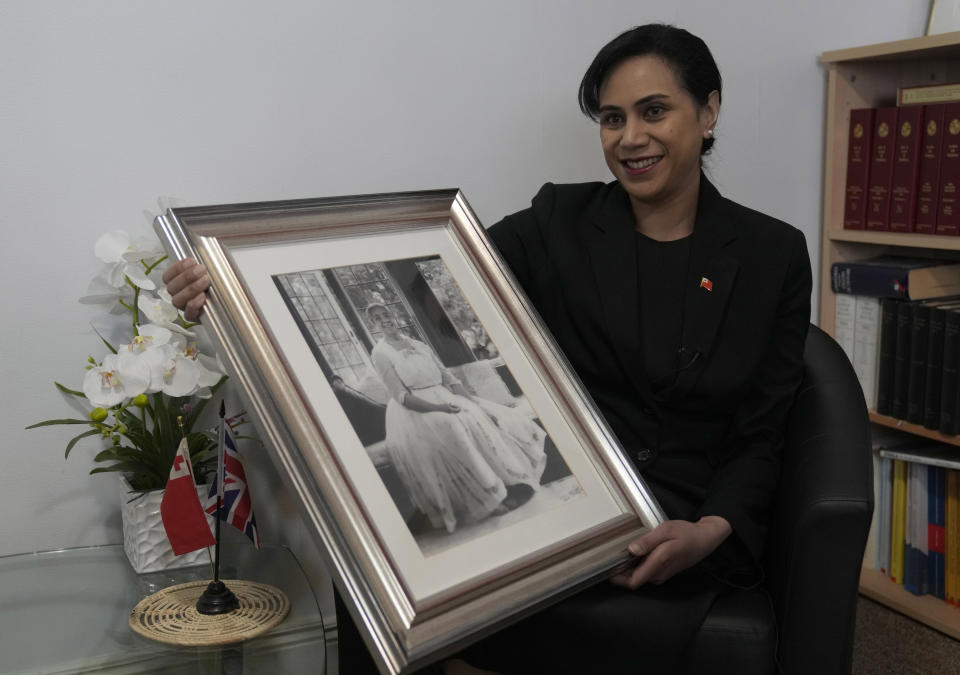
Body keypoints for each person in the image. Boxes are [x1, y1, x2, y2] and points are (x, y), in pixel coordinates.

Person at [163, 23, 811, 675]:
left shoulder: (772, 254)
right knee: (376, 576)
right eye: (613, 118)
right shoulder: (559, 223)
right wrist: (232, 281)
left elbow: (763, 429)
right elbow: (421, 281)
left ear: (710, 110)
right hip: (572, 520)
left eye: (654, 111)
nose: (630, 138)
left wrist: (711, 529)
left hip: (682, 524)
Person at [365, 302, 546, 533]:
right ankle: (488, 500)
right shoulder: (380, 353)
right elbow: (401, 396)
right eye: (378, 318)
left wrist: (472, 400)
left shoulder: (418, 344)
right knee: (452, 425)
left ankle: (510, 483)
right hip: (417, 408)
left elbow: (446, 377)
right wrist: (439, 408)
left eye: (386, 314)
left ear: (394, 315)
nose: (385, 320)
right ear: (373, 325)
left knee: (477, 414)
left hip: (443, 394)